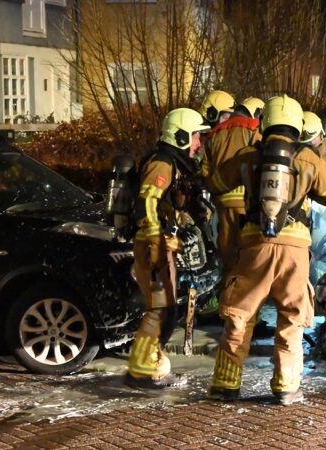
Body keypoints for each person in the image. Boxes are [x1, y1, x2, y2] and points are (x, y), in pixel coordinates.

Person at [207, 94, 326, 404]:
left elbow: (215, 183)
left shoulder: (247, 156)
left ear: (264, 123)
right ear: (297, 125)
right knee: (292, 318)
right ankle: (285, 386)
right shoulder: (308, 158)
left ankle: (226, 384)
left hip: (254, 245)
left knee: (241, 317)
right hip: (295, 249)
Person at [125, 108, 210, 389]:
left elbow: (167, 206)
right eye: (197, 137)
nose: (199, 144)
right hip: (154, 247)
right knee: (160, 309)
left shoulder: (173, 164)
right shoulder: (162, 163)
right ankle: (141, 369)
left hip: (159, 246)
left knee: (166, 310)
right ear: (182, 135)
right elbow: (146, 202)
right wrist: (157, 240)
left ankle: (150, 365)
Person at [202, 96, 263, 270]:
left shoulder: (213, 134)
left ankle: (227, 292)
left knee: (228, 258)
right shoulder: (254, 129)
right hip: (247, 204)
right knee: (250, 258)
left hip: (222, 205)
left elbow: (206, 173)